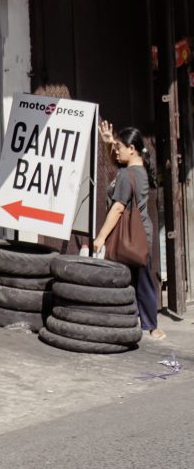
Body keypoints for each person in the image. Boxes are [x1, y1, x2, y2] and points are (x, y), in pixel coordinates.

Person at [93, 121, 166, 341]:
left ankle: (143, 324)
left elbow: (117, 208)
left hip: (132, 237)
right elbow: (117, 163)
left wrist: (101, 237)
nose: (116, 152)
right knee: (142, 280)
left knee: (134, 280)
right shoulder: (139, 170)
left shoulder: (127, 175)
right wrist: (109, 143)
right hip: (143, 235)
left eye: (119, 148)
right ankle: (149, 325)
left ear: (132, 149)